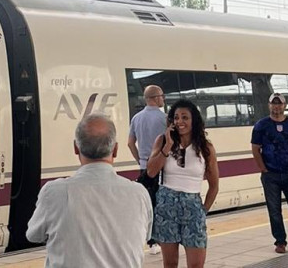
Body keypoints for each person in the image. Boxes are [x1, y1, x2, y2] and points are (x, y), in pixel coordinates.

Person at [26, 113, 151, 268]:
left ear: (75, 148)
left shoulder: (54, 192)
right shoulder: (139, 193)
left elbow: (33, 235)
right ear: (116, 150)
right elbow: (145, 235)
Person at [147, 99, 219, 268]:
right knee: (170, 263)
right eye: (176, 117)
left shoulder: (205, 148)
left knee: (196, 264)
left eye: (185, 117)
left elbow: (214, 185)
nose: (180, 122)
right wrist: (167, 147)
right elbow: (151, 171)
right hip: (166, 205)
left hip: (193, 206)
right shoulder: (162, 141)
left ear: (194, 120)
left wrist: (203, 211)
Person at [250, 93, 288, 254]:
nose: (276, 107)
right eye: (273, 104)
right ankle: (280, 241)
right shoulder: (261, 125)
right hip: (270, 175)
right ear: (269, 106)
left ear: (284, 105)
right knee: (274, 210)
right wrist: (263, 169)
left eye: (279, 104)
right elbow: (255, 149)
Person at [127, 85, 166, 255]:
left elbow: (130, 143)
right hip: (162, 167)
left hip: (144, 167)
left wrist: (140, 160)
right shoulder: (165, 118)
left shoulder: (136, 118)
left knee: (149, 203)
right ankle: (163, 239)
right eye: (162, 96)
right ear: (156, 98)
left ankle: (151, 243)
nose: (163, 99)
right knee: (162, 203)